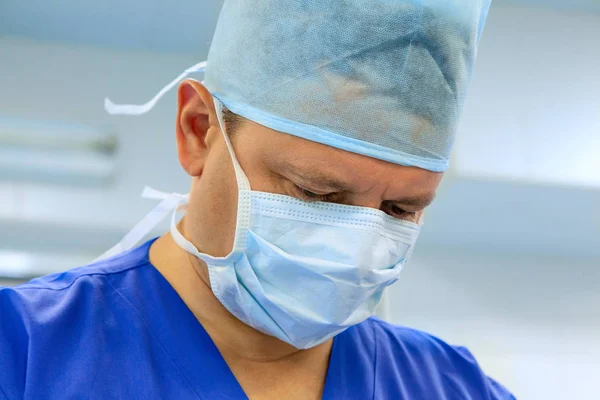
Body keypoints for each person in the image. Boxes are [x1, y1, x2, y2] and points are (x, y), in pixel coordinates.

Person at [0, 0, 515, 399]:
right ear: (199, 132)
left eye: (400, 209)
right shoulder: (25, 354)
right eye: (315, 192)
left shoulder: (451, 386)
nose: (356, 245)